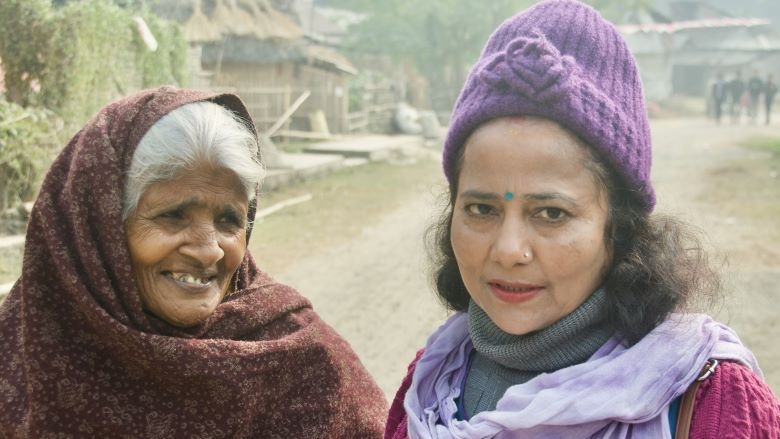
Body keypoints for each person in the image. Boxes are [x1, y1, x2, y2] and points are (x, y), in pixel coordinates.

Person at [384, 1, 780, 438]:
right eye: (482, 209)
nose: (508, 250)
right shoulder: (433, 378)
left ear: (621, 226)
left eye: (551, 213)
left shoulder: (708, 402)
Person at [0, 87, 387, 437]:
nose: (209, 251)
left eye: (228, 221)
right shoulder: (28, 343)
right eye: (172, 216)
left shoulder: (299, 360)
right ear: (97, 225)